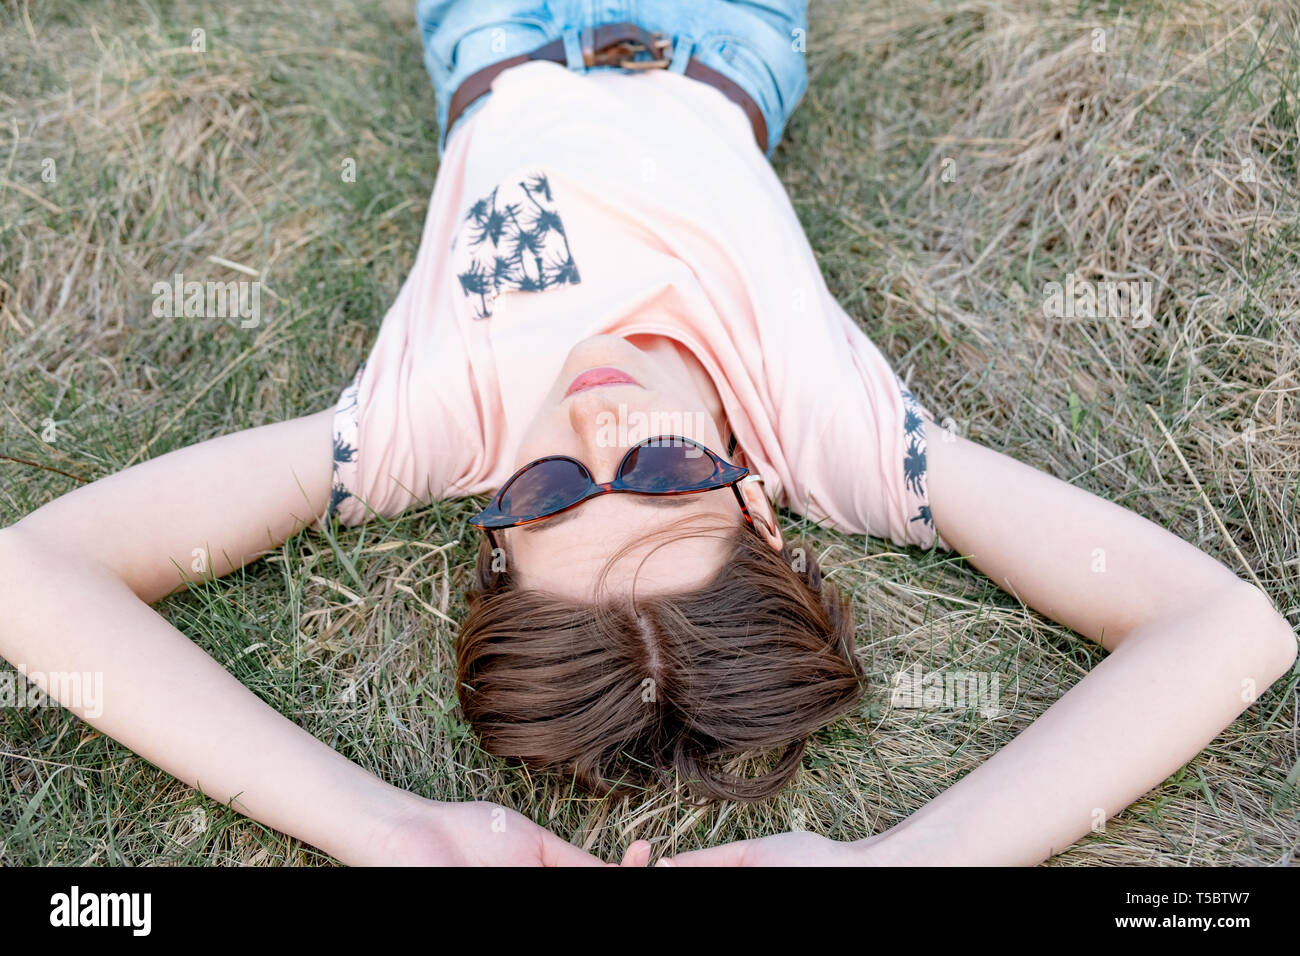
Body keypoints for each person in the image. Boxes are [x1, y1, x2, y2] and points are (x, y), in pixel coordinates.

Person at [1, 0, 1293, 867]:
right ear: (760, 508)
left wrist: (378, 828)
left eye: (560, 488)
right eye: (672, 470)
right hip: (719, 32)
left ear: (498, 536)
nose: (604, 419)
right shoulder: (823, 430)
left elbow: (29, 579)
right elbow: (1226, 631)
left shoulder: (429, 428)